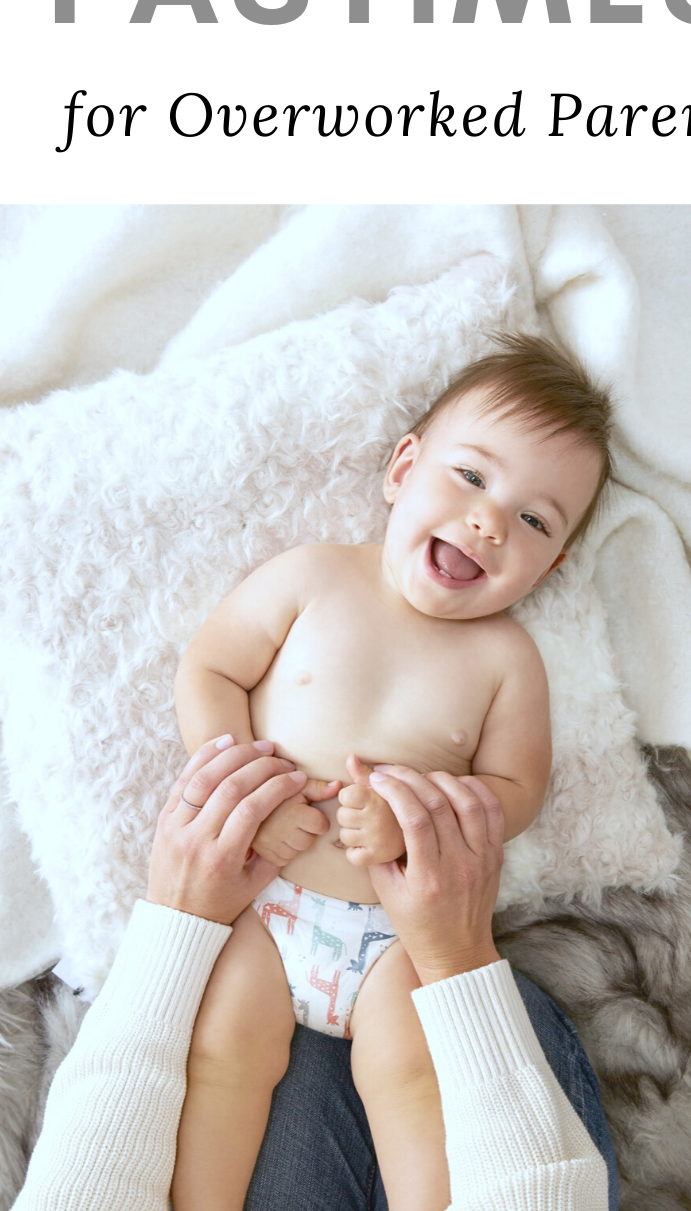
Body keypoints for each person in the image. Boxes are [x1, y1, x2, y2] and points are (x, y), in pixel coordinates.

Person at [170, 334, 613, 1210]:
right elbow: (210, 670)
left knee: (414, 1079)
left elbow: (517, 790)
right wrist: (248, 792)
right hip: (266, 902)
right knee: (222, 1058)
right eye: (474, 478)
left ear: (551, 568)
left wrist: (416, 817)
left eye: (534, 521)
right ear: (403, 468)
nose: (491, 521)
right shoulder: (313, 579)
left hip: (397, 941)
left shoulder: (507, 660)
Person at [12, 736, 616, 1211]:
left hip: (279, 937)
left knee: (228, 1058)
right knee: (459, 1041)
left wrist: (177, 918)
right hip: (387, 951)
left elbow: (84, 1175)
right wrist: (458, 961)